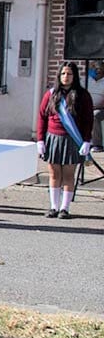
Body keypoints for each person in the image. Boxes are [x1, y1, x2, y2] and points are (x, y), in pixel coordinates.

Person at [36, 62, 94, 220]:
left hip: (72, 139)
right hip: (53, 138)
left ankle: (64, 208)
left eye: (69, 74)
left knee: (68, 175)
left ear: (74, 76)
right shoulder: (51, 94)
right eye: (63, 74)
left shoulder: (83, 95)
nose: (66, 77)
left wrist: (87, 141)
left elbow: (89, 120)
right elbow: (42, 117)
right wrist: (40, 140)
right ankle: (54, 206)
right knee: (54, 174)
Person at [86, 59, 104, 149]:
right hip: (86, 107)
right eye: (94, 68)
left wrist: (99, 105)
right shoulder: (85, 80)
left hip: (100, 108)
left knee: (95, 115)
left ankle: (97, 144)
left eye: (99, 68)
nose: (97, 70)